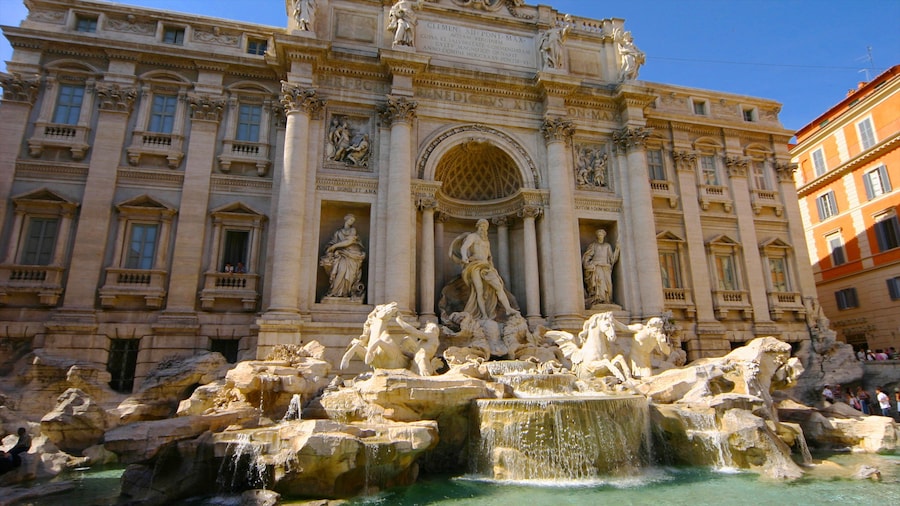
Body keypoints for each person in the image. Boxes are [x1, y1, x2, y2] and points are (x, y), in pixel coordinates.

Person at [452, 219, 518, 320]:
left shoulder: (486, 241)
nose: (483, 229)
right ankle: (484, 315)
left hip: (486, 266)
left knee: (498, 287)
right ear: (477, 227)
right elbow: (464, 247)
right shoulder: (472, 236)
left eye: (485, 227)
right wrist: (464, 256)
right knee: (479, 291)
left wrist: (492, 267)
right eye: (481, 226)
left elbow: (489, 256)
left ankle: (508, 308)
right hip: (474, 265)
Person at [320, 214, 366, 298]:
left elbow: (349, 242)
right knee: (341, 271)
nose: (352, 222)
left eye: (353, 221)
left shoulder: (353, 230)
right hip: (341, 256)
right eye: (351, 220)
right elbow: (331, 243)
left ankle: (345, 293)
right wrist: (331, 248)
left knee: (350, 276)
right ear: (346, 220)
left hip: (352, 256)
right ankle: (335, 292)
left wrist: (334, 247)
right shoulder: (338, 233)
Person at [582, 228, 620, 306]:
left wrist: (617, 249)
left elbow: (612, 258)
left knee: (608, 284)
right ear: (597, 236)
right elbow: (587, 256)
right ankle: (599, 299)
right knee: (599, 282)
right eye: (599, 235)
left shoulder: (607, 246)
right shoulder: (593, 245)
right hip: (597, 266)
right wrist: (588, 265)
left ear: (604, 236)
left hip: (606, 267)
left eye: (602, 235)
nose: (600, 236)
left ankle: (607, 299)